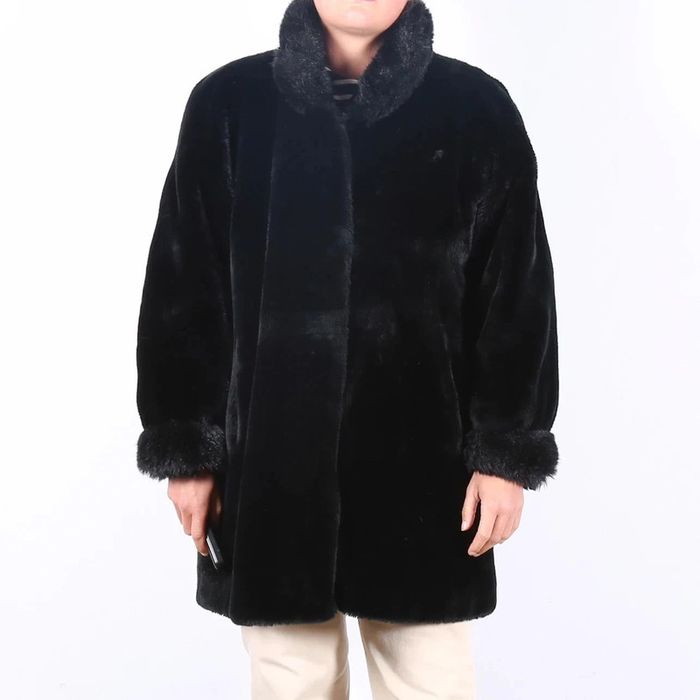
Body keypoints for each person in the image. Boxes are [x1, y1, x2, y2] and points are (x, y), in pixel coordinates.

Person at [135, 0, 559, 697]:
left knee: (431, 681)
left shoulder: (476, 109)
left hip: (428, 473)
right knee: (290, 679)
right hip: (268, 469)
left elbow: (517, 296)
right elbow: (184, 290)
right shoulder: (228, 105)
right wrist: (188, 451)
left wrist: (505, 454)